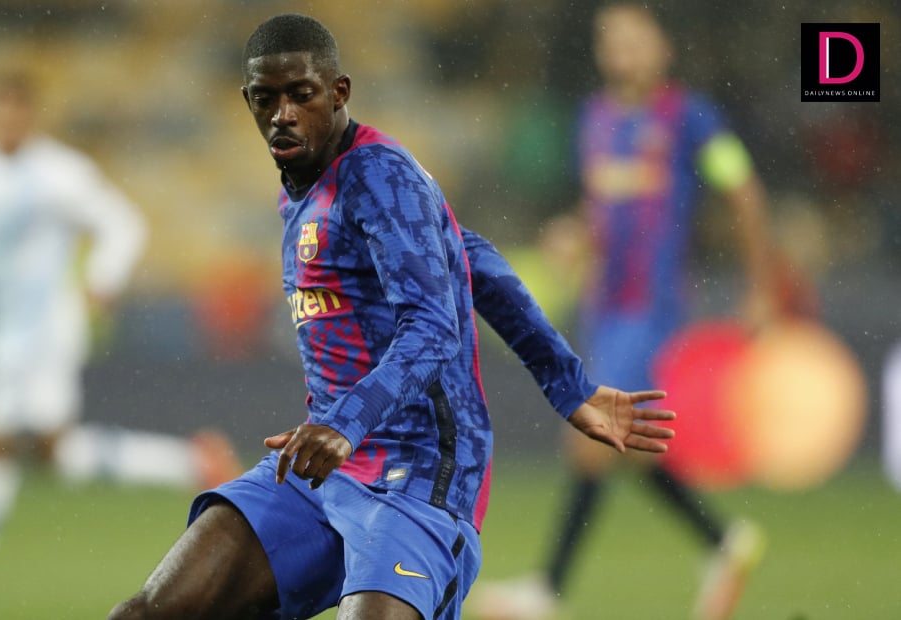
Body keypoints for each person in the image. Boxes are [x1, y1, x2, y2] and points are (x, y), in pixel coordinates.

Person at [107, 14, 675, 620]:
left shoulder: (378, 175)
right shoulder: (303, 186)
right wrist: (569, 385)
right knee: (146, 614)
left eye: (301, 95)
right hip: (321, 467)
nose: (283, 115)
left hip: (418, 473)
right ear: (247, 101)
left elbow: (433, 329)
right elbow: (471, 258)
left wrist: (347, 425)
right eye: (266, 99)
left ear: (339, 92)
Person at [0, 72, 242, 620]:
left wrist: (103, 277)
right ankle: (190, 462)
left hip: (50, 330)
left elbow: (122, 223)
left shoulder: (59, 174)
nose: (5, 122)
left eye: (14, 112)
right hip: (4, 332)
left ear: (30, 115)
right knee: (55, 455)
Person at [468, 4, 774, 620]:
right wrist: (574, 235)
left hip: (650, 306)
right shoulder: (596, 120)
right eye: (614, 41)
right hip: (603, 304)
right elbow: (602, 209)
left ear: (664, 48)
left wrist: (761, 285)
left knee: (591, 434)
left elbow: (741, 187)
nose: (625, 51)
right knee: (622, 441)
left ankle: (548, 590)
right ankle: (723, 542)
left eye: (637, 39)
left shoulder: (689, 117)